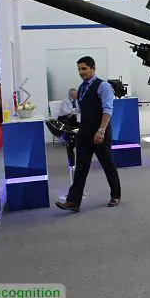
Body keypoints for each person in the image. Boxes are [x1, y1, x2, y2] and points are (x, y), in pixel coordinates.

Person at [55, 56, 121, 213]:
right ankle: (73, 201)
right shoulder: (81, 88)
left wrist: (101, 130)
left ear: (93, 68)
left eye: (84, 68)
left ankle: (116, 194)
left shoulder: (103, 86)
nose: (81, 72)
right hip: (84, 133)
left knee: (107, 165)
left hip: (100, 132)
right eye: (79, 69)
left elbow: (108, 110)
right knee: (81, 168)